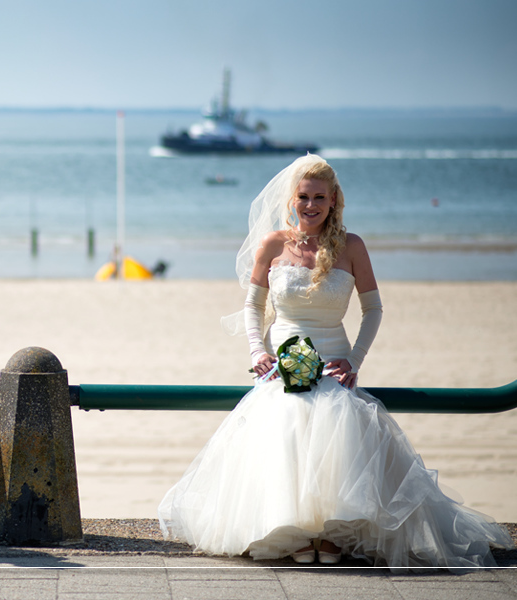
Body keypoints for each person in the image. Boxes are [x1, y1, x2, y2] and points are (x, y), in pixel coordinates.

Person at [158, 154, 513, 570]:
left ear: (333, 201)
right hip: (283, 367)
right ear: (292, 199)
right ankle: (296, 531)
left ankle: (329, 532)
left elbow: (374, 310)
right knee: (287, 428)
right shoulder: (273, 244)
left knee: (337, 428)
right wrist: (258, 351)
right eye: (304, 197)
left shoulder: (352, 246)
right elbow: (252, 306)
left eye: (319, 198)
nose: (311, 206)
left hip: (334, 362)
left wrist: (353, 360)